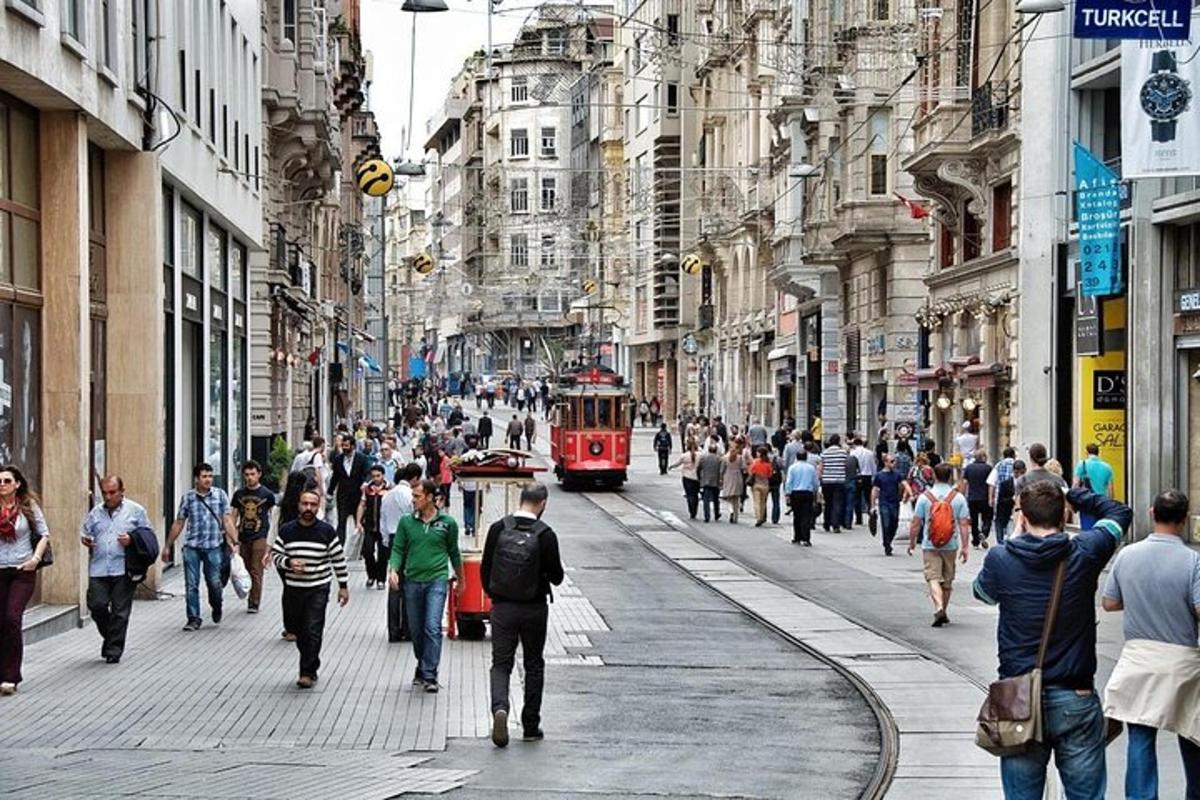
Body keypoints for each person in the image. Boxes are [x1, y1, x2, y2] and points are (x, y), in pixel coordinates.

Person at [972, 484, 1132, 799]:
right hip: (1076, 694)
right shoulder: (1085, 551)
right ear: (1064, 514)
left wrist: (1015, 537)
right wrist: (1073, 493)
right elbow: (1119, 513)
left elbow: (983, 593)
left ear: (1022, 516)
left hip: (1017, 696)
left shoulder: (1001, 557)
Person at [1101, 489, 1200, 800]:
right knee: (1192, 733)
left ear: (1151, 513)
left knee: (1141, 734)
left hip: (1139, 659)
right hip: (1182, 661)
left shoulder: (1127, 555)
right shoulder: (1193, 561)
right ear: (1183, 521)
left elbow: (1109, 603)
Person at [482, 483, 565, 747]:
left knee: (501, 664)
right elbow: (558, 577)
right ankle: (530, 725)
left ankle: (500, 709)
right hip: (534, 609)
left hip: (503, 608)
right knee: (533, 664)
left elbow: (486, 570)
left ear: (521, 500)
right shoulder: (546, 534)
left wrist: (498, 595)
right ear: (543, 504)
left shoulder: (498, 528)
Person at [388, 480, 464, 692]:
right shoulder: (406, 522)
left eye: (417, 497)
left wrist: (461, 579)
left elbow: (454, 553)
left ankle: (430, 673)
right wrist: (393, 569)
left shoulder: (447, 523)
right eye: (413, 496)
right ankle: (422, 664)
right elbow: (398, 549)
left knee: (432, 627)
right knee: (416, 629)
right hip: (412, 581)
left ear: (430, 497)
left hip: (437, 580)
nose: (413, 500)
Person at [270, 489, 349, 689]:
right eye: (305, 504)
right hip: (293, 589)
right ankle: (310, 661)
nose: (308, 508)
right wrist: (289, 562)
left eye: (313, 505)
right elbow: (276, 555)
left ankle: (307, 671)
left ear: (318, 507)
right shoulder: (287, 531)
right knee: (297, 629)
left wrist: (343, 586)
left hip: (318, 587)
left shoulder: (326, 531)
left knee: (313, 629)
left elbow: (338, 559)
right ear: (299, 505)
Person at [80, 476, 151, 664]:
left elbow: (147, 537)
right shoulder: (96, 513)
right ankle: (111, 638)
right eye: (104, 493)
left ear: (122, 491)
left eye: (112, 492)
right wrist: (86, 540)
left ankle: (113, 650)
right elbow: (86, 533)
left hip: (123, 567)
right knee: (97, 605)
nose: (108, 497)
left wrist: (132, 539)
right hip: (99, 567)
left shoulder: (136, 511)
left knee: (120, 611)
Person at [163, 462, 238, 632]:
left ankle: (216, 606)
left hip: (213, 546)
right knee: (191, 584)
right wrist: (168, 546)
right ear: (196, 479)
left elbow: (227, 520)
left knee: (214, 583)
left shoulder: (220, 495)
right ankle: (193, 618)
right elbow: (179, 522)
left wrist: (234, 542)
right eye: (204, 476)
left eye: (210, 476)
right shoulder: (188, 497)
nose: (208, 480)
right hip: (192, 547)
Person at [0, 466, 49, 695]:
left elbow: (44, 534)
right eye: (0, 481)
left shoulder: (28, 506)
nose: (2, 485)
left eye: (7, 481)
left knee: (12, 618)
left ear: (17, 484)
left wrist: (35, 559)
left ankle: (11, 676)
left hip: (22, 571)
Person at [907, 462, 970, 627]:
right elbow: (964, 524)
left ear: (934, 476)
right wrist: (965, 547)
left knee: (933, 577)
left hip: (930, 544)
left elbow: (916, 522)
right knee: (947, 581)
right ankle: (944, 611)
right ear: (950, 477)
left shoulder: (925, 497)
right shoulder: (958, 498)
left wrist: (912, 541)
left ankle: (938, 607)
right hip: (951, 544)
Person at [381, 463, 422, 643]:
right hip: (407, 540)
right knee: (409, 585)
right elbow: (414, 517)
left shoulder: (388, 495)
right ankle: (408, 628)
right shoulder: (409, 495)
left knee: (394, 585)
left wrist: (384, 541)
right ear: (414, 479)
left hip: (391, 538)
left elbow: (382, 519)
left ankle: (393, 630)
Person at [230, 460, 276, 614]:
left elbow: (273, 516)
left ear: (259, 475)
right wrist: (233, 538)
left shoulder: (267, 495)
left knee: (256, 569)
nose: (249, 477)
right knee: (245, 568)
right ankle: (247, 593)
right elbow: (233, 517)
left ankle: (254, 602)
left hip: (260, 535)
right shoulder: (239, 494)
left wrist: (270, 541)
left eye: (252, 474)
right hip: (243, 536)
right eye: (247, 475)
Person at [328, 435, 369, 548]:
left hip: (357, 496)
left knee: (359, 522)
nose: (344, 448)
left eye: (347, 446)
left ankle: (362, 548)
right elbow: (335, 477)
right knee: (341, 522)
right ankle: (339, 546)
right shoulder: (338, 459)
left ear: (353, 446)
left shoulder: (362, 459)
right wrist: (330, 492)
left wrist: (365, 483)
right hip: (343, 496)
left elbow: (366, 474)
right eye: (343, 446)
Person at [356, 465, 390, 589]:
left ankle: (381, 579)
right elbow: (362, 505)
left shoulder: (389, 488)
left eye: (378, 476)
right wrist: (358, 522)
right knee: (367, 551)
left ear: (383, 475)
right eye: (373, 476)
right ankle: (371, 575)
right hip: (369, 526)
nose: (375, 478)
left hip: (384, 527)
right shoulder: (367, 489)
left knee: (383, 555)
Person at [870, 454, 910, 556]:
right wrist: (873, 505)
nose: (894, 463)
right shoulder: (879, 476)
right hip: (884, 502)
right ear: (886, 463)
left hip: (894, 502)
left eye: (894, 461)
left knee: (894, 522)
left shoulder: (897, 474)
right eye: (892, 461)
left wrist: (910, 492)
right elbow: (875, 490)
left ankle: (889, 540)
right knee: (886, 523)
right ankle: (887, 544)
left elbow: (905, 483)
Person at [1073, 444, 1115, 529]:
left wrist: (1073, 500)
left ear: (1086, 452)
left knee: (1087, 529)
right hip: (1101, 502)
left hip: (1086, 501)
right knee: (1100, 528)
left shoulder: (1082, 464)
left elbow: (1076, 484)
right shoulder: (1108, 467)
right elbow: (1111, 490)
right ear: (1098, 453)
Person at [785, 450, 818, 546]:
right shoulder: (811, 468)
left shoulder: (792, 467)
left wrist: (787, 493)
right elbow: (815, 482)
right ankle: (806, 538)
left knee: (797, 516)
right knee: (806, 516)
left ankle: (797, 537)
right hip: (807, 493)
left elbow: (789, 482)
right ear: (806, 457)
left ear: (797, 457)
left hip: (795, 493)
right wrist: (815, 490)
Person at [962, 449, 993, 549]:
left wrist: (963, 495)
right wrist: (991, 498)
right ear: (984, 457)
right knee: (987, 518)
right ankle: (984, 532)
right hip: (984, 497)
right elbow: (990, 484)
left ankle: (975, 541)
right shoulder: (988, 468)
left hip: (972, 498)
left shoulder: (968, 468)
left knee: (974, 521)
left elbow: (965, 483)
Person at [818, 435, 849, 533]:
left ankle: (826, 524)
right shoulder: (843, 453)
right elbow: (846, 466)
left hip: (827, 481)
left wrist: (820, 478)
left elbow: (821, 468)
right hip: (839, 481)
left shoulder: (825, 453)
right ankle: (836, 525)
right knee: (838, 503)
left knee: (828, 503)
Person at [992, 459, 1024, 544]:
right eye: (1017, 473)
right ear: (1013, 471)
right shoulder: (1005, 484)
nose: (1019, 475)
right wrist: (1012, 499)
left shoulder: (1027, 483)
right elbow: (1000, 501)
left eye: (1022, 473)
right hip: (1007, 515)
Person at [673, 440, 701, 520]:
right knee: (695, 495)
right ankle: (694, 510)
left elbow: (678, 463)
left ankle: (691, 510)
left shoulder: (684, 456)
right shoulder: (700, 455)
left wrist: (672, 466)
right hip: (696, 478)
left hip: (687, 477)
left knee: (689, 495)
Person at [852, 438, 876, 526]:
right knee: (868, 497)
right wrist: (874, 476)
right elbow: (873, 465)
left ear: (855, 444)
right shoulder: (869, 453)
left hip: (857, 476)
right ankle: (871, 514)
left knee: (857, 498)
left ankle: (859, 519)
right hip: (867, 476)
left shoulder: (853, 453)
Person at [747, 448, 773, 527]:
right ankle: (761, 517)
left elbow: (750, 471)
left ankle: (758, 517)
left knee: (756, 502)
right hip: (765, 484)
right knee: (763, 502)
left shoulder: (755, 462)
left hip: (756, 483)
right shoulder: (768, 464)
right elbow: (770, 475)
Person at [697, 443, 723, 523]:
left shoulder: (704, 458)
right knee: (716, 499)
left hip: (706, 480)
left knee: (706, 499)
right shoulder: (719, 459)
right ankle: (716, 513)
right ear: (716, 451)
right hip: (716, 481)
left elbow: (698, 468)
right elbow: (721, 470)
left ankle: (707, 516)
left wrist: (699, 477)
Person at [720, 446, 745, 525]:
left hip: (728, 477)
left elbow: (722, 470)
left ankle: (731, 511)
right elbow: (743, 467)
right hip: (737, 477)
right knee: (736, 498)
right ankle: (736, 516)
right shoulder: (740, 458)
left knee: (730, 497)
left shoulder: (725, 458)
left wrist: (721, 479)